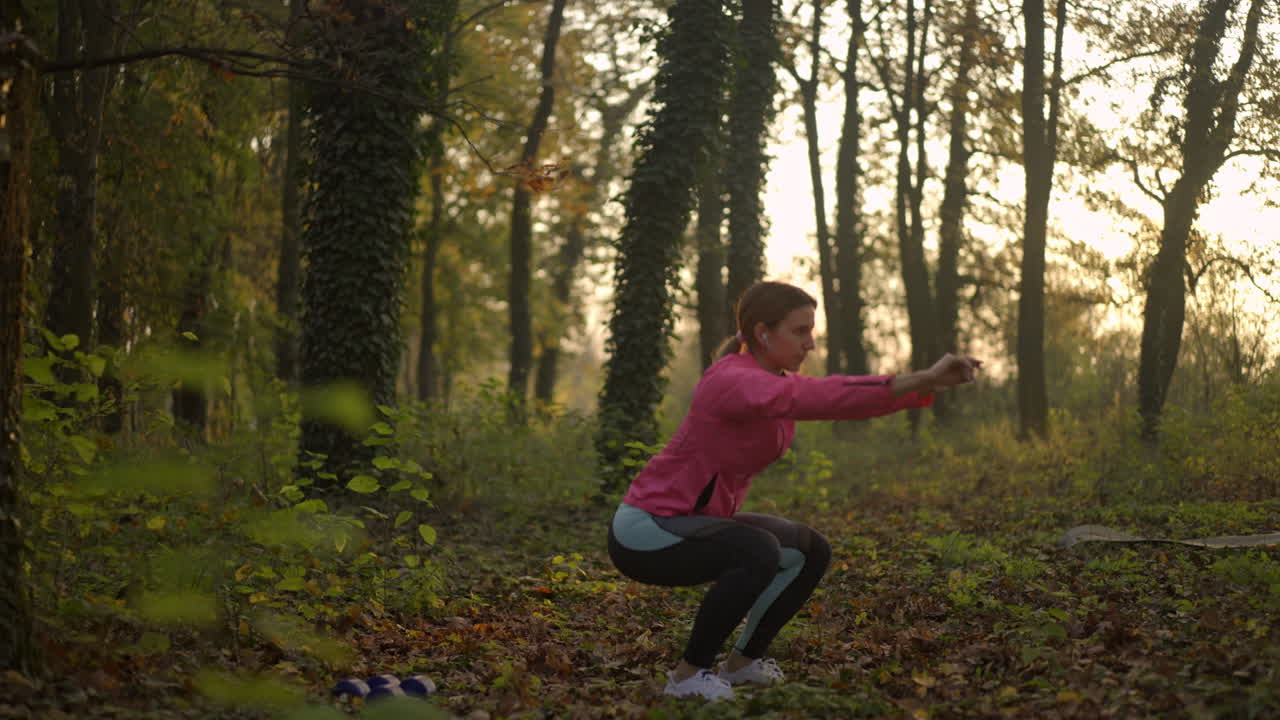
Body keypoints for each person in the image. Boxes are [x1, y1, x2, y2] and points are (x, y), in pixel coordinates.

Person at [606, 281, 982, 701]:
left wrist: (927, 385)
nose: (811, 344)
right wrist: (923, 376)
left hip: (696, 522)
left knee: (809, 550)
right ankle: (688, 676)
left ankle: (742, 664)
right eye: (800, 331)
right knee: (757, 549)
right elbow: (821, 396)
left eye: (811, 331)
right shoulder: (732, 379)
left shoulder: (770, 379)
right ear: (764, 333)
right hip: (647, 529)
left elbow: (834, 400)